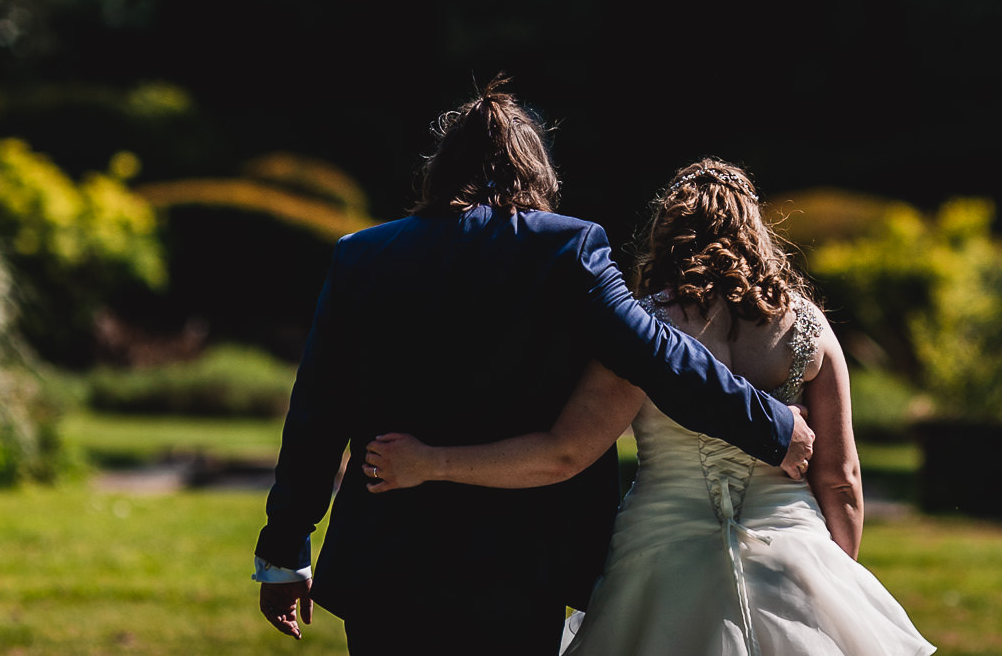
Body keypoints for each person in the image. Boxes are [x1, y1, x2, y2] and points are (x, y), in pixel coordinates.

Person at [253, 86, 815, 655]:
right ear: (535, 169)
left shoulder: (362, 256)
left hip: (389, 557)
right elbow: (658, 354)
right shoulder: (568, 249)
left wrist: (283, 550)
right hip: (519, 560)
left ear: (439, 170)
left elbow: (317, 412)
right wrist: (770, 425)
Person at [361, 159, 933, 656]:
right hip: (796, 556)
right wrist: (833, 588)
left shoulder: (642, 330)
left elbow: (562, 455)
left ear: (668, 235)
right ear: (757, 232)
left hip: (663, 565)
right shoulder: (808, 327)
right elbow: (842, 480)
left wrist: (430, 461)